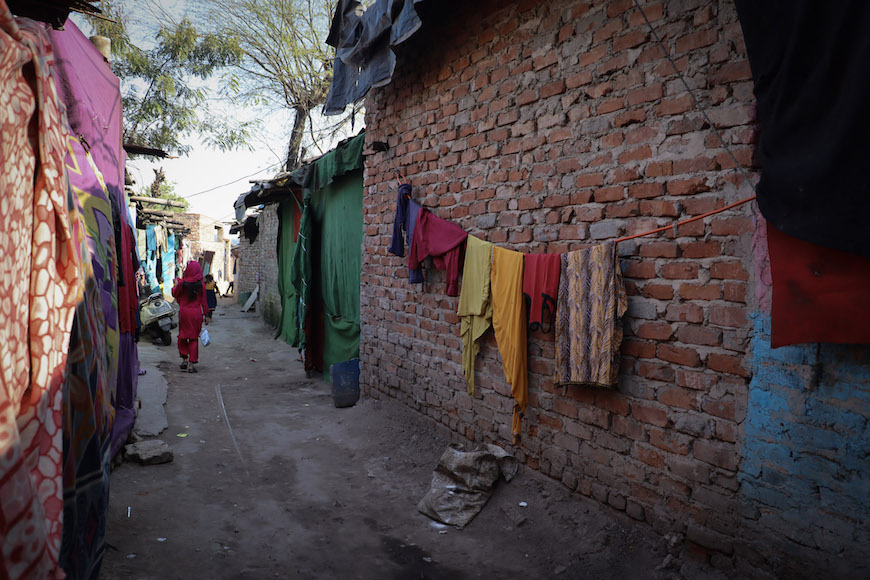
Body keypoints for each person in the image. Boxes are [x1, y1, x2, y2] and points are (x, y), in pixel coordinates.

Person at [172, 261, 208, 373]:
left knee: (183, 336)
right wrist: (206, 314)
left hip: (184, 313)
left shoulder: (182, 284)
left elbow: (174, 294)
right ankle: (192, 365)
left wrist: (175, 285)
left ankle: (184, 359)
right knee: (193, 338)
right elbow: (204, 301)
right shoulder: (201, 285)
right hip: (196, 313)